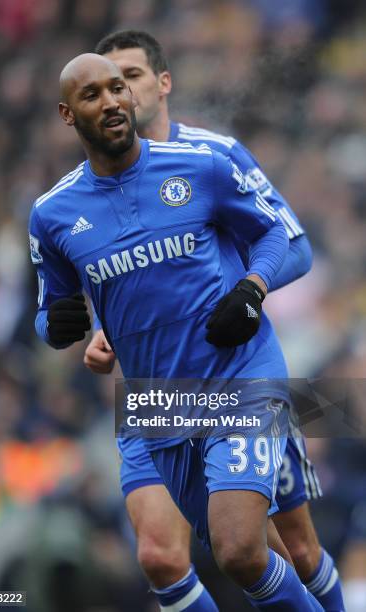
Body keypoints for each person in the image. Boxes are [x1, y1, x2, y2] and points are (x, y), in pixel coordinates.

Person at [29, 52, 325, 611]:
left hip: (239, 375)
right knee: (203, 557)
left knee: (244, 548)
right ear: (68, 115)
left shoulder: (201, 164)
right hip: (158, 403)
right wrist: (58, 326)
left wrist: (252, 289)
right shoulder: (52, 214)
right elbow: (51, 313)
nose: (113, 102)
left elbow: (276, 235)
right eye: (94, 95)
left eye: (119, 87)